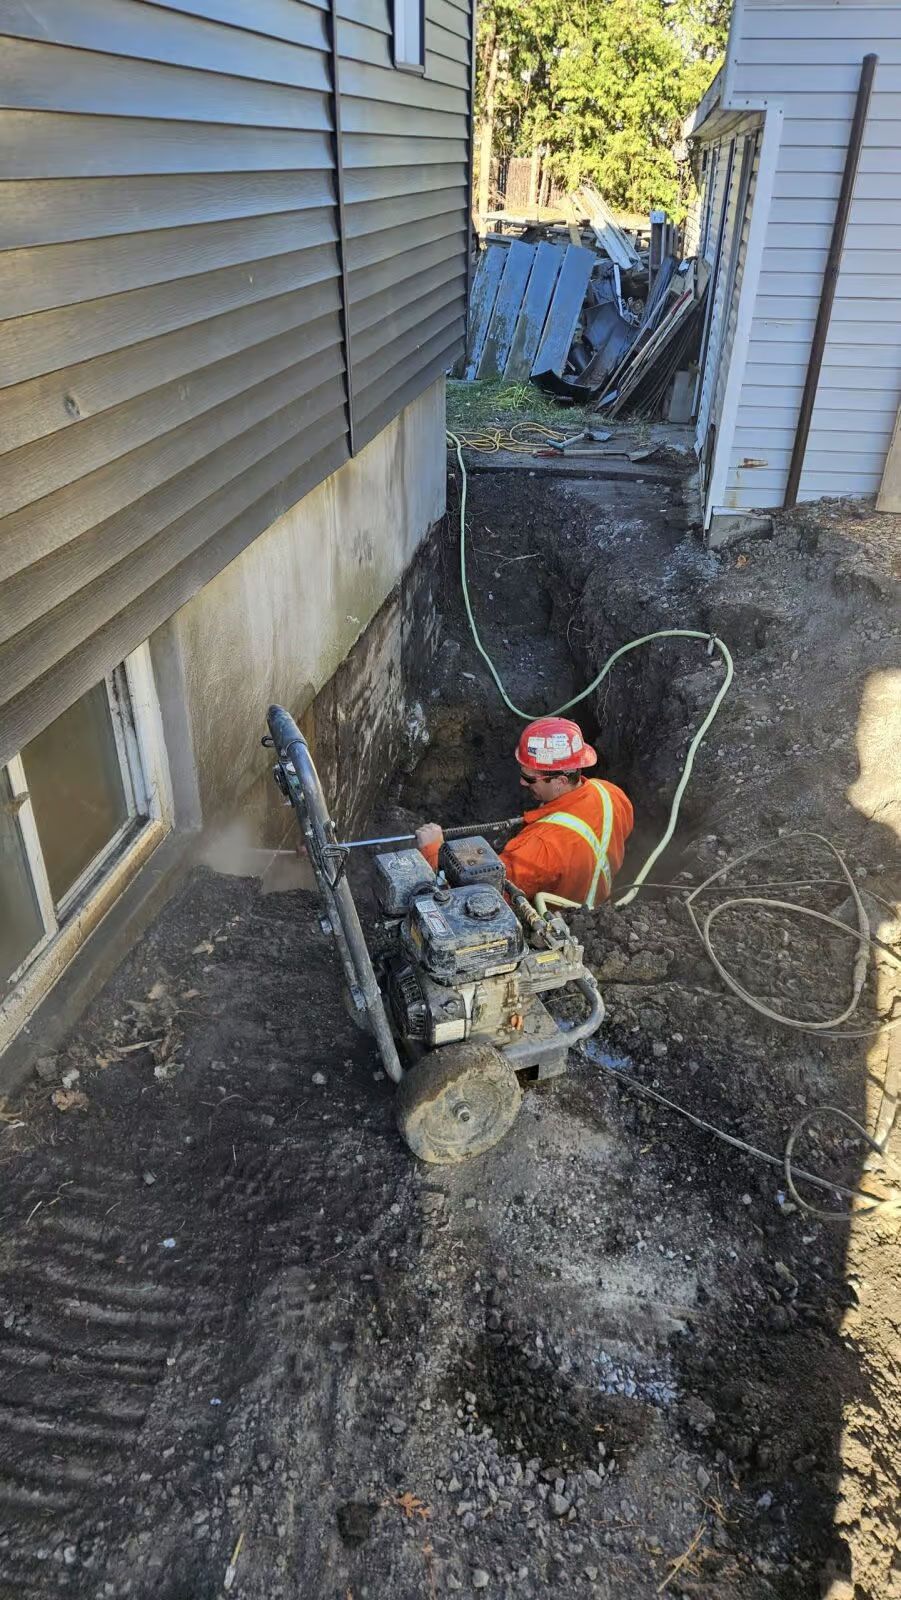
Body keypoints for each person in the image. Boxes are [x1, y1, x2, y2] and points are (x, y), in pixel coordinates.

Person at [415, 716, 633, 909]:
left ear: (560, 781)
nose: (521, 781)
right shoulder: (611, 794)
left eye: (530, 779)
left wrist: (433, 852)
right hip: (599, 905)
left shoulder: (540, 847)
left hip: (556, 923)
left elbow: (482, 896)